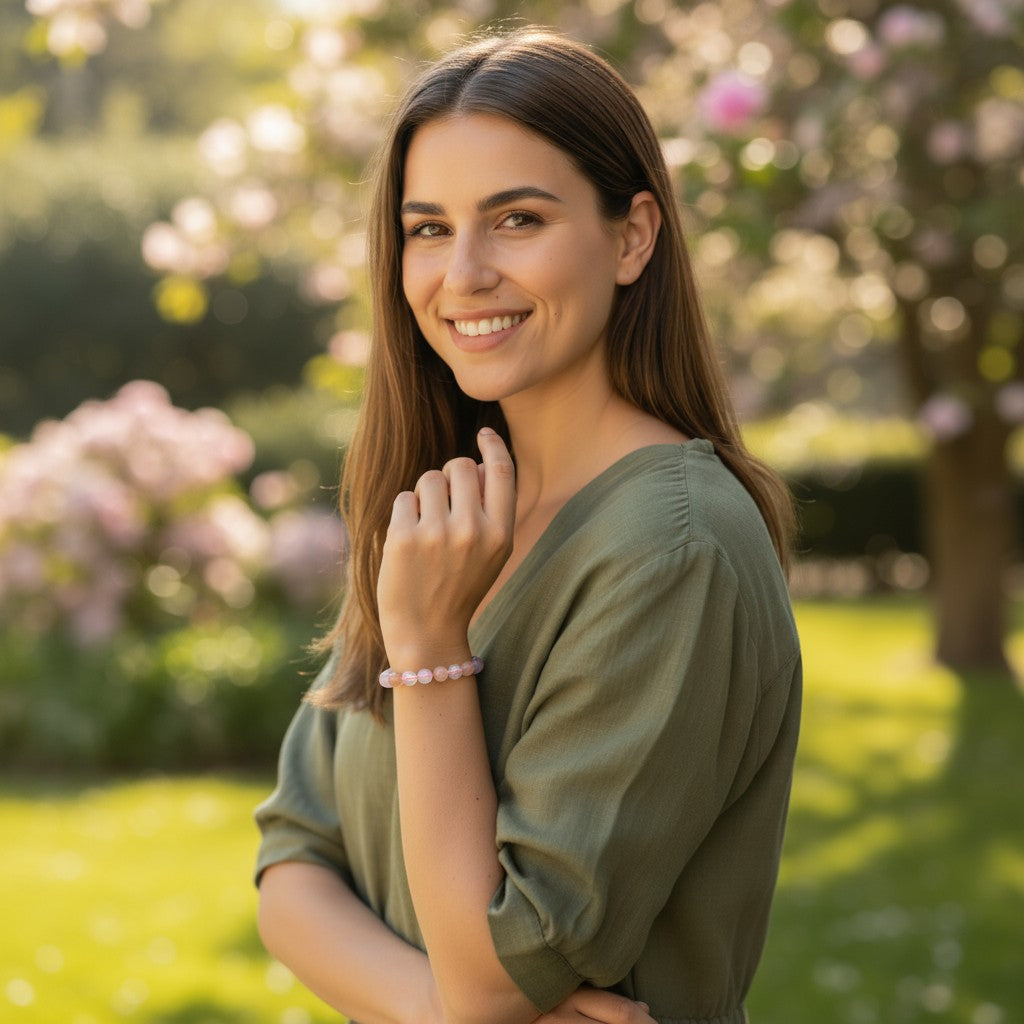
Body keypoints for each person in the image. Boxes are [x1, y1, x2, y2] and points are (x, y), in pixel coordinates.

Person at [254, 26, 801, 1024]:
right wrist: (441, 1008)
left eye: (515, 219)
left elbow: (501, 977)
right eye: (428, 228)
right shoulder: (440, 511)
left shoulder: (670, 547)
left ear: (632, 235)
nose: (461, 275)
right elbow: (292, 861)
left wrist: (427, 654)